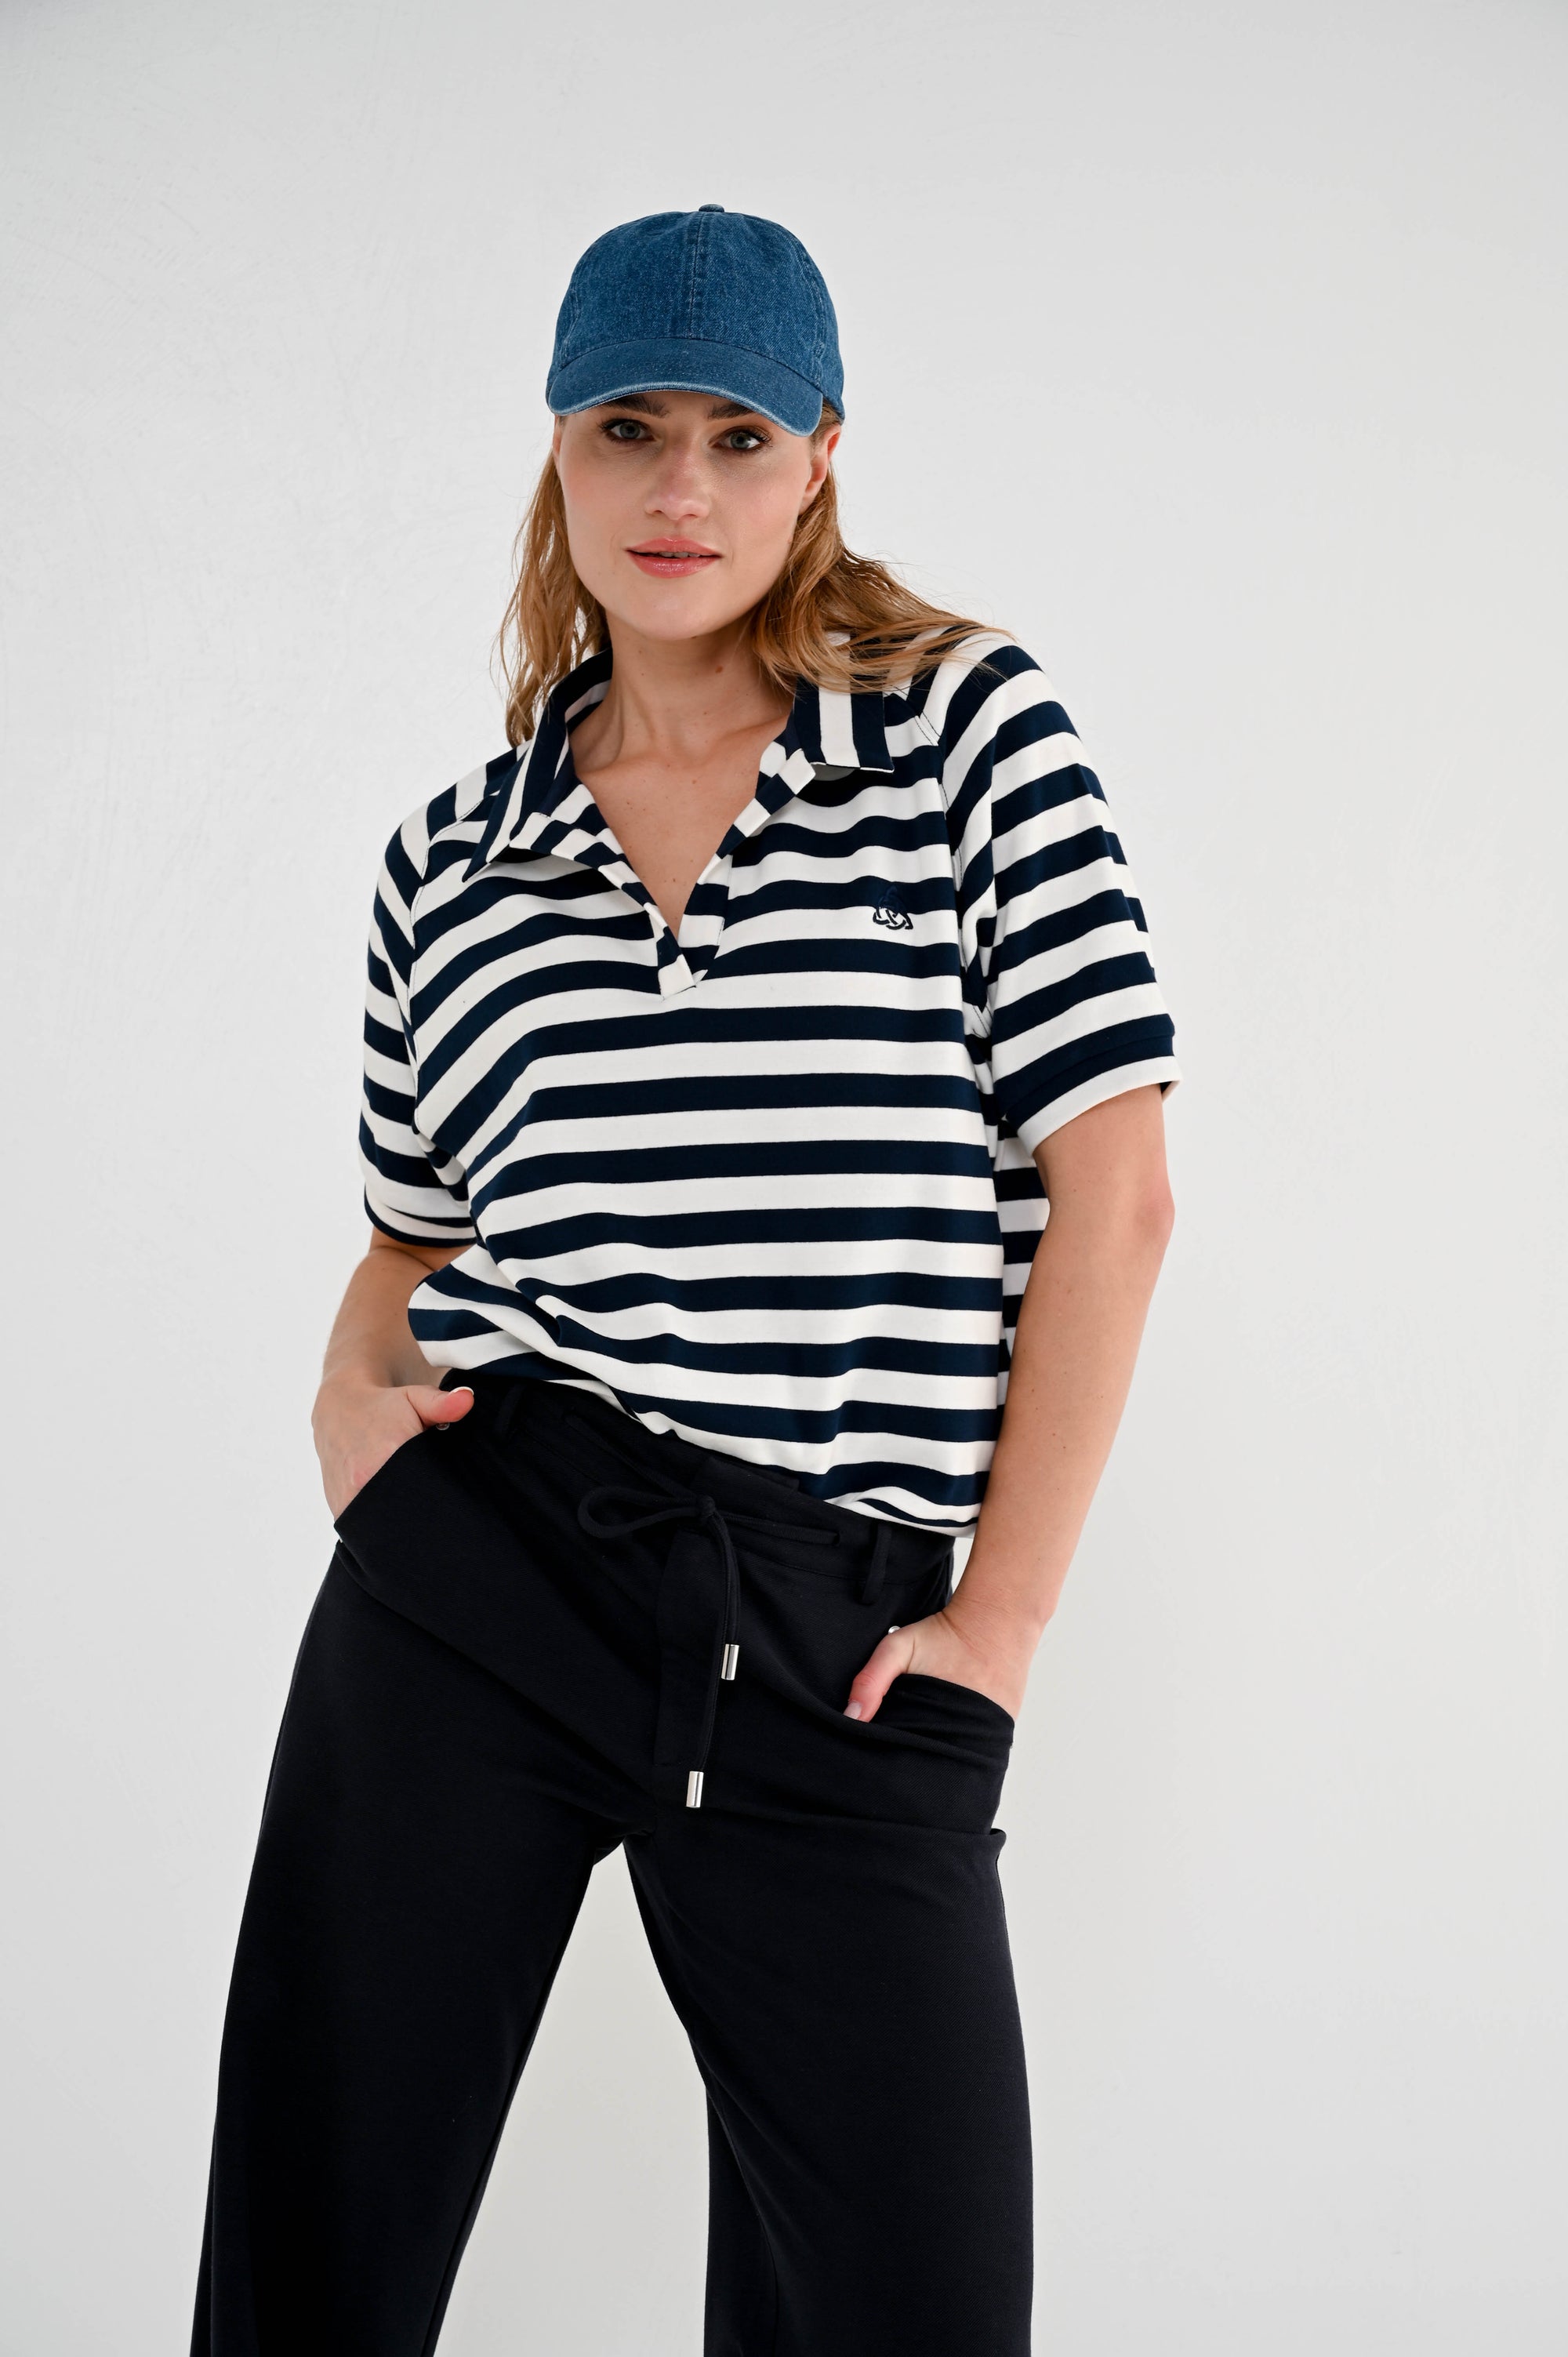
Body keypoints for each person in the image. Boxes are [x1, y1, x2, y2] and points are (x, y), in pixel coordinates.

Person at [191, 205, 1179, 2356]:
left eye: (738, 435)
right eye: (627, 428)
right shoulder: (454, 859)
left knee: (909, 2305)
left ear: (821, 456)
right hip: (481, 1577)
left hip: (836, 1632)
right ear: (556, 447)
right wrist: (350, 1404)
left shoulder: (965, 742)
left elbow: (1115, 1194)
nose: (680, 489)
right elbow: (413, 1230)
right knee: (312, 2259)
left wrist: (1001, 1624)